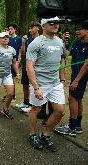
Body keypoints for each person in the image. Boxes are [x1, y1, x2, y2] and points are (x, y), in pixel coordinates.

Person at [27, 17, 66, 152]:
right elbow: (29, 67)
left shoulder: (60, 41)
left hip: (55, 83)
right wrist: (36, 87)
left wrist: (62, 79)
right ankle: (32, 134)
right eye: (52, 23)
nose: (55, 25)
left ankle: (45, 134)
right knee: (36, 110)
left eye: (57, 23)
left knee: (60, 111)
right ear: (43, 26)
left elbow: (61, 61)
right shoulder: (36, 43)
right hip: (40, 83)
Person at [54, 24, 88, 136]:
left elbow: (86, 65)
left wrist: (76, 80)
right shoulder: (77, 42)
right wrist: (65, 42)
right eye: (76, 29)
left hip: (81, 76)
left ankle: (72, 127)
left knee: (72, 98)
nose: (77, 31)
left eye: (80, 29)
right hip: (75, 74)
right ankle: (77, 125)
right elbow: (67, 54)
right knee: (78, 98)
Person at [0, 32, 20, 119]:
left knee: (11, 93)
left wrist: (17, 73)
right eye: (3, 38)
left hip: (7, 74)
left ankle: (5, 109)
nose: (5, 39)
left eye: (6, 37)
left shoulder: (12, 50)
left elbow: (14, 63)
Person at [15, 22, 41, 113]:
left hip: (35, 67)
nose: (30, 30)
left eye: (32, 28)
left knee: (33, 86)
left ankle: (33, 105)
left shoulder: (41, 39)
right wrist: (23, 42)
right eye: (29, 28)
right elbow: (23, 53)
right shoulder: (28, 39)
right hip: (26, 65)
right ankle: (26, 102)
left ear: (38, 28)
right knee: (25, 84)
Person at [7, 23, 22, 102]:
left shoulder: (19, 38)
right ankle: (9, 94)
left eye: (11, 29)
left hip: (14, 60)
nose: (10, 30)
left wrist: (19, 59)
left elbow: (20, 50)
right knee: (7, 78)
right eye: (9, 29)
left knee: (13, 78)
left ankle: (13, 96)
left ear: (15, 29)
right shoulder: (7, 38)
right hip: (7, 60)